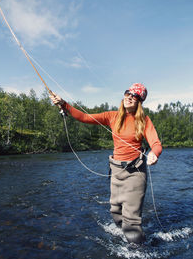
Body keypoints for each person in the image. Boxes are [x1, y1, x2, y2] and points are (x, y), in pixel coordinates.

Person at [49, 83, 162, 244]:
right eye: (127, 93)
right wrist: (64, 104)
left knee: (131, 221)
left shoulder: (144, 120)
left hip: (135, 173)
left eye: (135, 96)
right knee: (116, 212)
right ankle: (130, 240)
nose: (129, 97)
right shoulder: (112, 116)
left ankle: (137, 258)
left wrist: (154, 153)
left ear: (140, 102)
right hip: (116, 171)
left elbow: (156, 143)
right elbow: (85, 117)